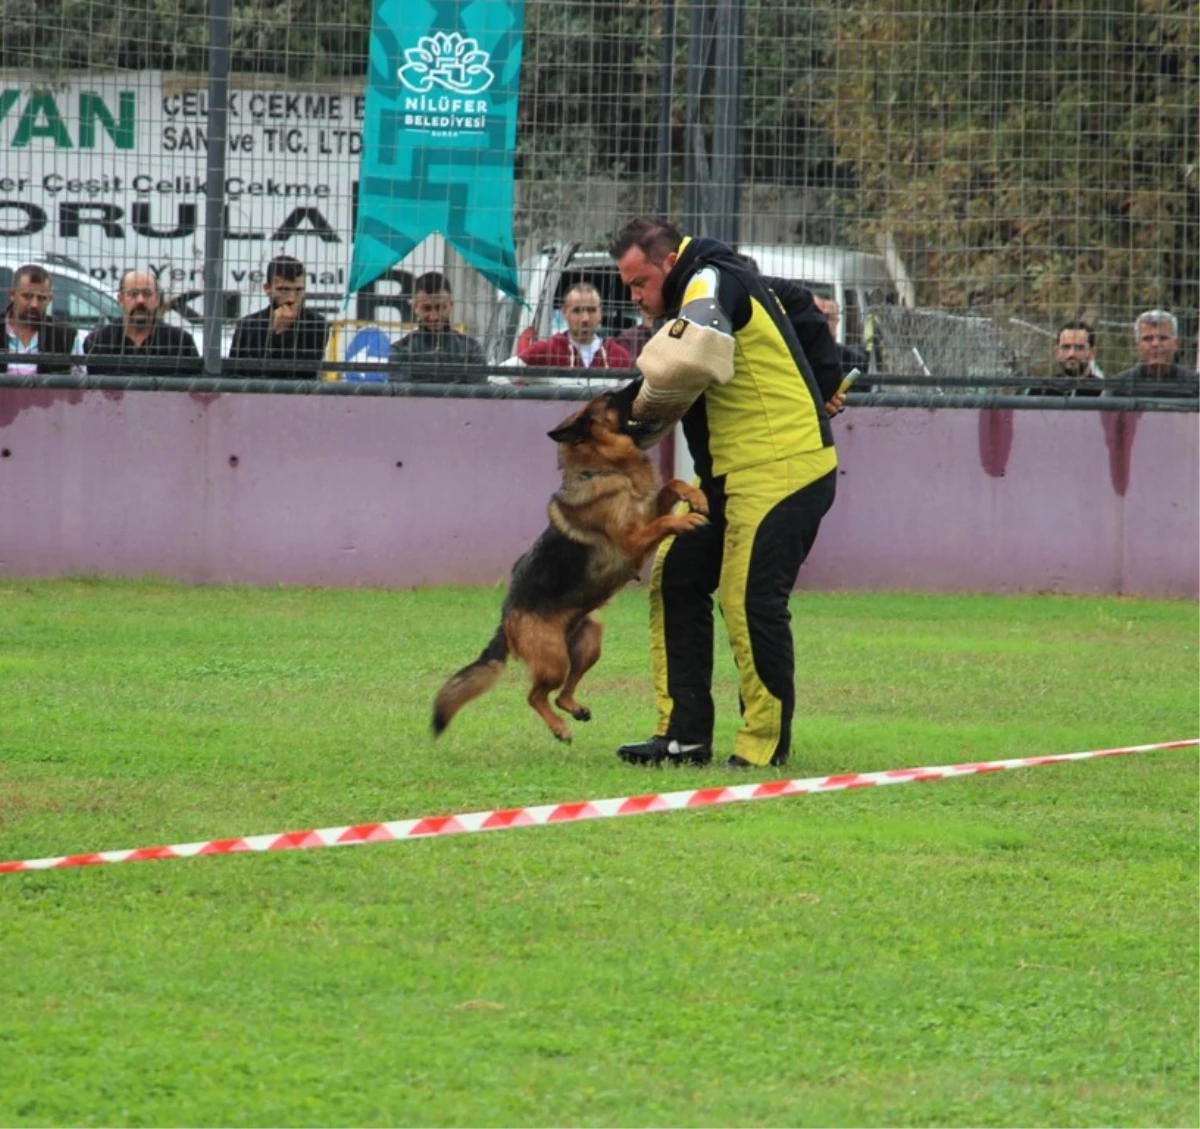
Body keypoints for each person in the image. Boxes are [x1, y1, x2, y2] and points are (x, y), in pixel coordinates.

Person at [607, 217, 843, 770]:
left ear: (669, 262)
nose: (636, 298)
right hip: (732, 480)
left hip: (782, 468)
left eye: (639, 283)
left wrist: (618, 417)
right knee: (678, 572)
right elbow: (801, 304)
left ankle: (763, 745)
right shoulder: (732, 278)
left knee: (746, 599)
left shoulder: (709, 278)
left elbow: (689, 356)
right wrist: (827, 383)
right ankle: (683, 736)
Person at [230, 255, 329, 380]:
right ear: (267, 289)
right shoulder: (247, 325)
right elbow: (232, 375)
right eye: (283, 290)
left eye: (298, 290)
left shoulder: (316, 324)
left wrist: (281, 335)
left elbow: (301, 375)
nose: (291, 298)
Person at [83, 270, 199, 375]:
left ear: (157, 299)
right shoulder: (97, 342)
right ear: (120, 299)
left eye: (147, 294)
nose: (140, 301)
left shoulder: (180, 342)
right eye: (133, 294)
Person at [388, 271, 486, 380]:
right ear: (415, 308)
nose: (434, 317)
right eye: (427, 308)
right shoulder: (471, 350)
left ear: (451, 306)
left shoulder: (472, 350)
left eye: (440, 307)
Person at [517, 282, 633, 369]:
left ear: (600, 313)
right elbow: (504, 374)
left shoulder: (618, 355)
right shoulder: (545, 351)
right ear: (564, 312)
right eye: (577, 311)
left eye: (592, 310)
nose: (585, 319)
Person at [4, 264, 84, 375]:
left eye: (41, 298)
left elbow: (81, 385)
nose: (34, 304)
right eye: (27, 296)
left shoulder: (66, 336)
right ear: (12, 294)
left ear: (50, 299)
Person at [1115, 310, 1199, 397]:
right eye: (1148, 338)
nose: (1155, 344)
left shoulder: (1195, 385)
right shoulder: (1119, 386)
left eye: (1163, 338)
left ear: (1176, 344)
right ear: (1137, 346)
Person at [1025, 320, 1104, 397]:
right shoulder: (1040, 392)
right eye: (1066, 347)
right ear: (1057, 352)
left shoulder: (1103, 393)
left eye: (1079, 348)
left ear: (1092, 353)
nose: (1072, 353)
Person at [813, 294, 870, 379]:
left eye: (827, 317)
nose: (822, 321)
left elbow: (859, 389)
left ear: (836, 321)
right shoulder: (796, 352)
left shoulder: (853, 361)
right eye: (817, 315)